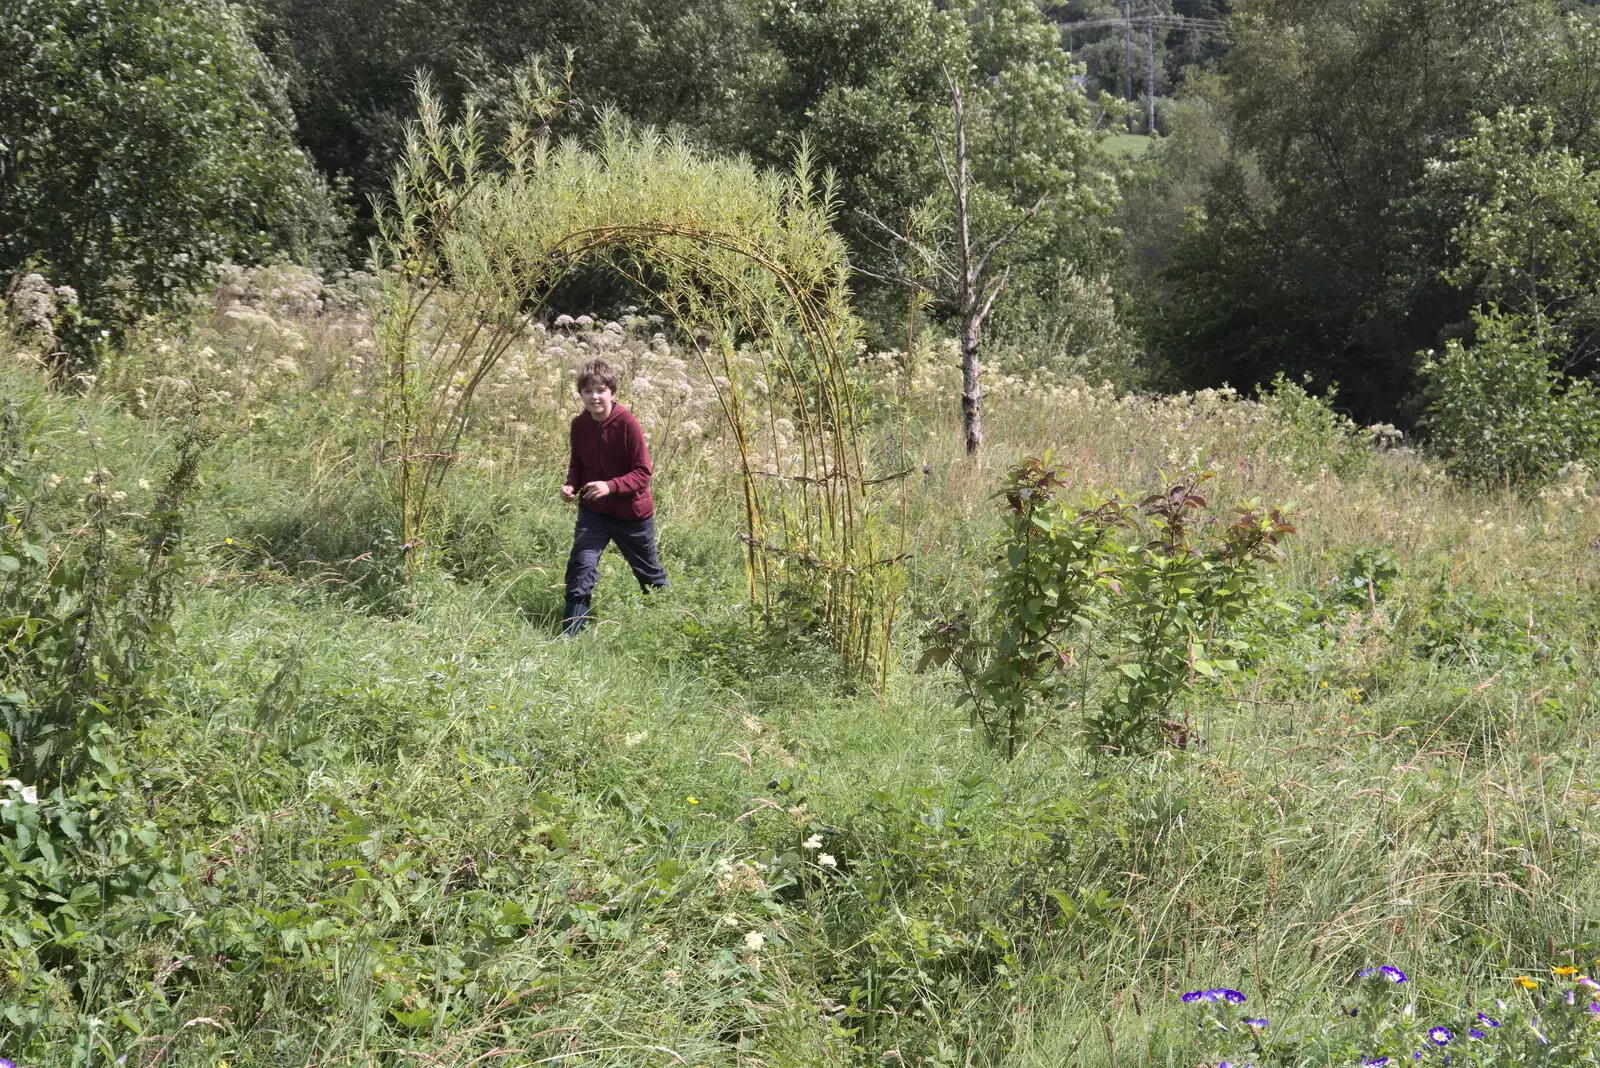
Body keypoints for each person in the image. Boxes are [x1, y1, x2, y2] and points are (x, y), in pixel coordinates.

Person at [559, 357, 668, 635]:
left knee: (649, 575)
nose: (594, 396)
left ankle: (667, 624)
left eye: (601, 390)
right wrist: (571, 485)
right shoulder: (579, 424)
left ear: (612, 392)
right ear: (580, 393)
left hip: (631, 514)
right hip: (594, 511)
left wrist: (610, 486)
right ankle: (572, 633)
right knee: (581, 564)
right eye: (587, 391)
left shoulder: (627, 423)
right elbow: (578, 464)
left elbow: (643, 473)